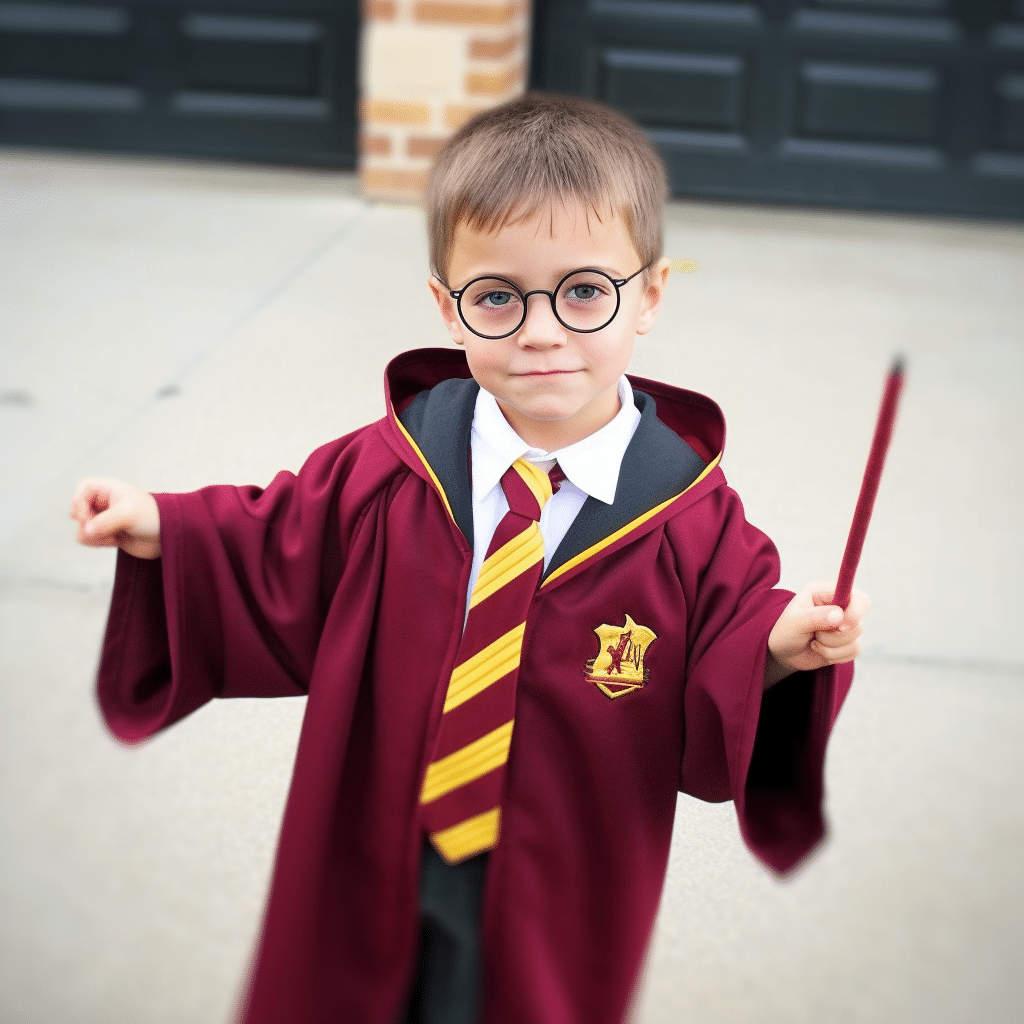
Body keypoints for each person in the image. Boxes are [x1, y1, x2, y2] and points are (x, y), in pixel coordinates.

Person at [70, 93, 868, 1024]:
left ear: (649, 296)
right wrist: (165, 524)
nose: (539, 330)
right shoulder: (395, 463)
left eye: (583, 290)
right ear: (449, 308)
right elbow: (278, 535)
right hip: (381, 825)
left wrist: (781, 647)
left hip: (562, 860)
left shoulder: (689, 518)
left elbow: (734, 635)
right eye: (497, 296)